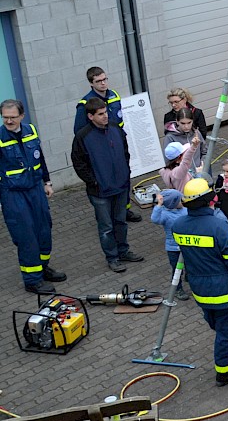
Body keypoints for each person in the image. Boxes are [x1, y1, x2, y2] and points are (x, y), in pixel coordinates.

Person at [173, 177, 228, 384]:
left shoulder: (178, 225)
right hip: (225, 292)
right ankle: (225, 372)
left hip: (200, 291)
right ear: (211, 199)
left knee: (226, 327)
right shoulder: (220, 228)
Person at [71, 97, 145, 273]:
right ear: (90, 116)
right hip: (100, 191)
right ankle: (112, 258)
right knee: (106, 227)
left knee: (120, 222)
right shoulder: (82, 137)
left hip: (120, 186)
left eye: (106, 112)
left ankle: (123, 251)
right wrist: (93, 181)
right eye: (101, 114)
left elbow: (125, 152)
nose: (106, 116)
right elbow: (78, 163)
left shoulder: (115, 129)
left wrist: (125, 174)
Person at [0, 99, 63, 293]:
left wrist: (47, 182)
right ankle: (32, 280)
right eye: (5, 118)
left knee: (44, 229)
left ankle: (42, 269)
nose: (8, 121)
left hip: (36, 188)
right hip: (13, 194)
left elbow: (40, 158)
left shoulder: (31, 131)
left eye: (12, 117)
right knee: (26, 235)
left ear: (22, 116)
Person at [74, 66, 140, 222]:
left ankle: (125, 209)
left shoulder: (114, 95)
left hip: (117, 142)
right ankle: (109, 212)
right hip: (100, 147)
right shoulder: (85, 103)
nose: (103, 83)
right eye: (98, 81)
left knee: (123, 176)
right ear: (91, 83)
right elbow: (79, 131)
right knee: (106, 178)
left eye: (105, 79)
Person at [151, 188, 189, 300]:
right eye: (179, 200)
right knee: (177, 269)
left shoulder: (185, 210)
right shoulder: (164, 215)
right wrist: (159, 205)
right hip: (174, 249)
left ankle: (189, 276)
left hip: (187, 245)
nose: (182, 201)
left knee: (191, 264)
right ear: (173, 203)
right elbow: (154, 219)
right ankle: (177, 289)